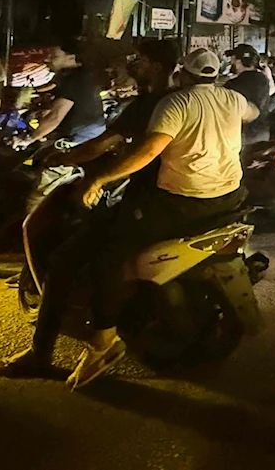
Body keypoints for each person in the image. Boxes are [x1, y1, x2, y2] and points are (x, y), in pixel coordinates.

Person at [59, 48, 258, 389]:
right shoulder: (233, 99)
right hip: (230, 198)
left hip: (183, 203)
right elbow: (252, 113)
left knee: (111, 255)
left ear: (183, 74)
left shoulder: (175, 104)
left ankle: (103, 343)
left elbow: (149, 151)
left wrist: (101, 178)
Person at [0, 39, 181, 381]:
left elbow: (104, 142)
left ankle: (44, 353)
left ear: (155, 66)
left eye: (138, 60)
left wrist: (65, 157)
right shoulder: (171, 99)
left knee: (66, 258)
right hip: (157, 191)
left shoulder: (152, 104)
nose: (132, 64)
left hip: (142, 196)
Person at [15, 39, 105, 148]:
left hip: (83, 131)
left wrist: (30, 139)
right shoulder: (82, 75)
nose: (47, 59)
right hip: (92, 128)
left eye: (54, 56)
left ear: (71, 57)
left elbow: (56, 116)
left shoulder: (73, 79)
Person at [225, 44, 275, 145]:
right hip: (263, 133)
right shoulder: (264, 80)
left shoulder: (233, 84)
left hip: (242, 136)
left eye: (233, 59)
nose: (231, 63)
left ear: (239, 62)